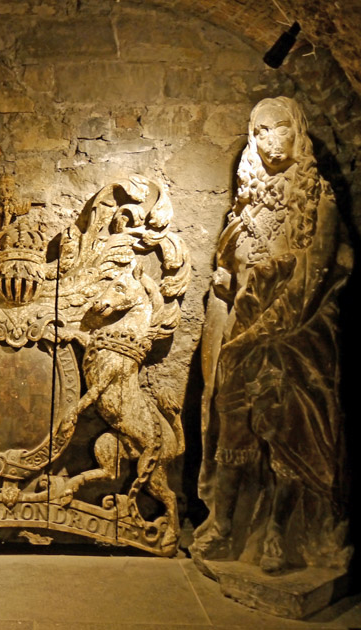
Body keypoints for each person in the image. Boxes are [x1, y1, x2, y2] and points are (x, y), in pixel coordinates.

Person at [192, 97, 350, 572]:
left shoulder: (318, 203)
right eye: (258, 132)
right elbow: (225, 274)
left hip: (291, 344)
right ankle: (223, 522)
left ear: (296, 132)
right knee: (232, 433)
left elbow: (312, 279)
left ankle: (278, 532)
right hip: (240, 343)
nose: (267, 140)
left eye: (277, 128)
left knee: (285, 436)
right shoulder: (245, 209)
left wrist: (264, 329)